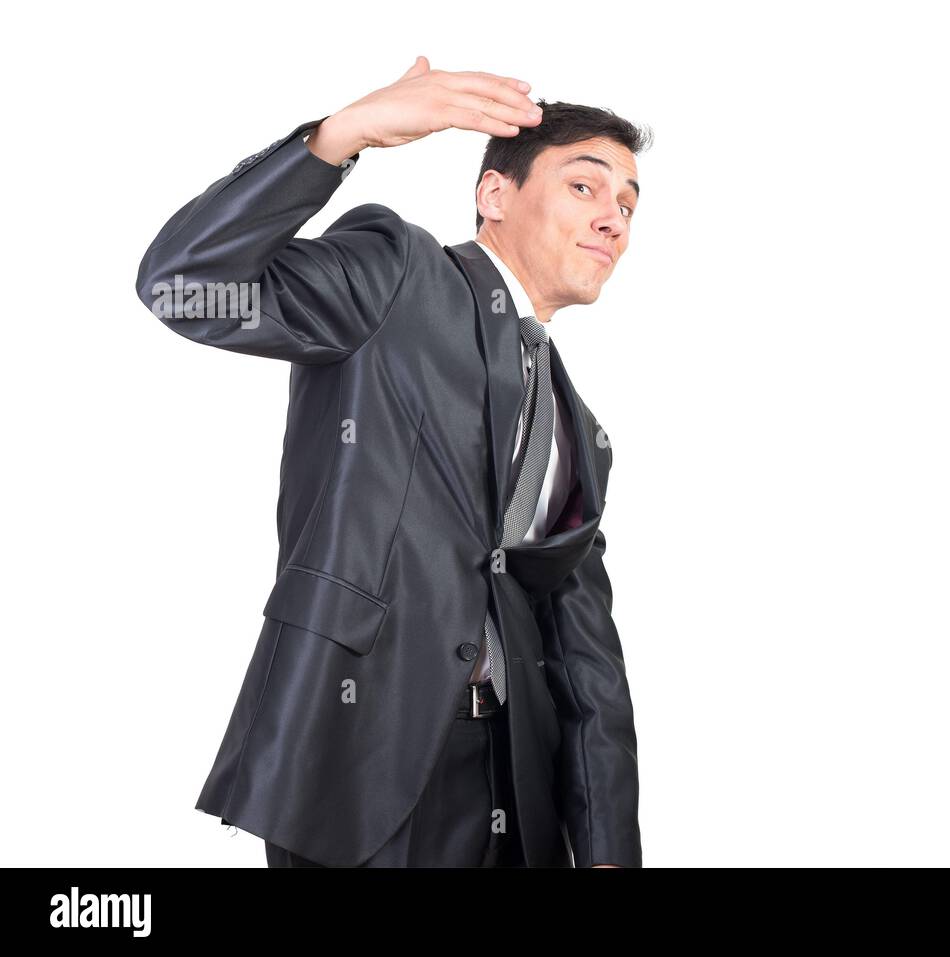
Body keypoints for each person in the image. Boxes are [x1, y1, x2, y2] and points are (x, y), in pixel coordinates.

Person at [134, 58, 649, 867]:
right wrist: (338, 139)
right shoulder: (396, 275)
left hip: (517, 790)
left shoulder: (579, 429)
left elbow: (585, 652)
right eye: (586, 187)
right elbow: (184, 286)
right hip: (360, 765)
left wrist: (609, 846)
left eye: (627, 202)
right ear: (495, 195)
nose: (613, 218)